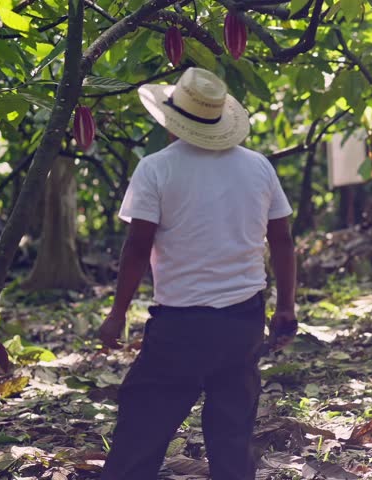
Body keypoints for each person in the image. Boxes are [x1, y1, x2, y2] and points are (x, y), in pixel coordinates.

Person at [98, 67, 297, 480]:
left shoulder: (156, 169)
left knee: (141, 430)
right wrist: (286, 310)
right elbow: (281, 241)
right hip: (243, 321)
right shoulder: (258, 167)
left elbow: (138, 248)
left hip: (179, 327)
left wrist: (117, 315)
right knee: (232, 435)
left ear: (172, 121)